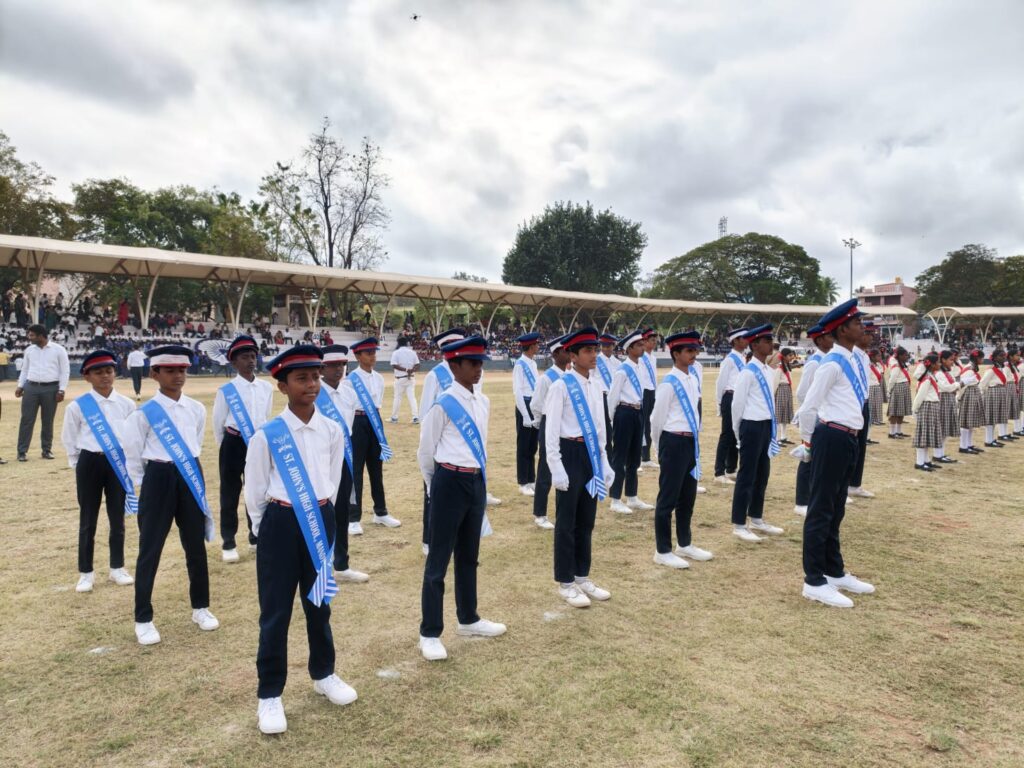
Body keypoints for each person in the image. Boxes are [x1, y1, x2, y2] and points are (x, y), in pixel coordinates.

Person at [245, 345, 358, 735]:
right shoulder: (267, 435)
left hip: (320, 519)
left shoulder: (332, 429)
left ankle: (324, 673)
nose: (311, 385)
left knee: (319, 603)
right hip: (280, 522)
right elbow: (254, 490)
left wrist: (322, 514)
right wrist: (265, 530)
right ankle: (270, 693)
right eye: (301, 378)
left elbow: (333, 480)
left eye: (315, 377)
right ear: (282, 386)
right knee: (275, 612)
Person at [417, 335, 506, 661]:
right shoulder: (443, 404)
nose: (478, 369)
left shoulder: (483, 402)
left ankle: (468, 618)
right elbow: (426, 451)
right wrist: (436, 486)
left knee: (469, 555)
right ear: (454, 366)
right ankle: (429, 632)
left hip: (475, 481)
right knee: (438, 560)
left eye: (481, 363)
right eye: (472, 363)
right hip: (448, 481)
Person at [124, 345, 218, 646]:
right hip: (158, 477)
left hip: (190, 474)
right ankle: (143, 618)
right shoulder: (143, 414)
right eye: (170, 371)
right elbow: (133, 455)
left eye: (182, 370)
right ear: (155, 374)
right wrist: (149, 484)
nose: (178, 376)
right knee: (150, 549)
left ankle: (201, 607)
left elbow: (195, 442)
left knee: (195, 546)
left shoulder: (196, 408)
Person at [795, 299, 875, 608]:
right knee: (821, 509)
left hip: (848, 438)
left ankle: (833, 570)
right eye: (856, 323)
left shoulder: (853, 359)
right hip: (831, 437)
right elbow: (809, 407)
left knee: (836, 507)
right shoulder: (831, 364)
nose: (862, 327)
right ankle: (814, 580)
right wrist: (808, 444)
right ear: (842, 330)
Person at [544, 327, 615, 608]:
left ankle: (582, 576)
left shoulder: (596, 385)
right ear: (572, 356)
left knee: (587, 519)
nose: (594, 355)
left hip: (591, 454)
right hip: (569, 452)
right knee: (566, 522)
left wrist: (604, 459)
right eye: (587, 351)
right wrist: (556, 466)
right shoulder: (561, 386)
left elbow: (600, 426)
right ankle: (566, 582)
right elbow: (551, 431)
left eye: (595, 349)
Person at [60, 350, 137, 594]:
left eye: (109, 371)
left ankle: (117, 568)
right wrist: (78, 463)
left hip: (118, 464)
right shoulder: (77, 406)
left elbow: (133, 437)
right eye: (98, 372)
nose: (105, 376)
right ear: (87, 377)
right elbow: (69, 438)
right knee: (88, 520)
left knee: (117, 518)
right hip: (90, 462)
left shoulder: (127, 404)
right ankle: (86, 573)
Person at [649, 332, 713, 569]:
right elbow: (657, 419)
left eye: (695, 350)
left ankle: (684, 543)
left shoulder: (692, 378)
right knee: (668, 497)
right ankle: (662, 550)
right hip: (673, 441)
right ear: (676, 354)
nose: (693, 354)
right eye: (688, 351)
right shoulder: (668, 383)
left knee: (688, 496)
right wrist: (659, 447)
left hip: (689, 442)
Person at [212, 335, 274, 563]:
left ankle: (256, 536)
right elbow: (218, 422)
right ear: (234, 362)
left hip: (256, 443)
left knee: (257, 491)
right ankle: (228, 542)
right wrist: (225, 447)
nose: (250, 361)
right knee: (229, 493)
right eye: (245, 357)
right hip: (233, 442)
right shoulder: (226, 390)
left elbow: (266, 415)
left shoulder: (266, 387)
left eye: (253, 356)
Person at [316, 344, 369, 583]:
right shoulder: (314, 392)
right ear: (321, 368)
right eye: (332, 365)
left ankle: (342, 564)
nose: (338, 369)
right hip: (320, 459)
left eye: (342, 364)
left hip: (344, 458)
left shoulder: (349, 392)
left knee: (342, 511)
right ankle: (318, 566)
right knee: (320, 510)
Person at [729, 325, 785, 542]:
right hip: (751, 426)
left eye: (771, 341)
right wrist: (738, 432)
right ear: (754, 345)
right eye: (766, 341)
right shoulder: (747, 372)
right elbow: (737, 405)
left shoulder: (767, 370)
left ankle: (756, 517)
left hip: (765, 425)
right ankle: (739, 524)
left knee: (762, 474)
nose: (771, 345)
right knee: (746, 476)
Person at [418, 328, 469, 553]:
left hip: (462, 443)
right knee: (433, 495)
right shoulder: (435, 375)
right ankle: (429, 540)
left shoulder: (468, 372)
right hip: (439, 444)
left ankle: (455, 537)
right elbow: (425, 413)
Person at [343, 337, 401, 534]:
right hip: (357, 423)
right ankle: (353, 517)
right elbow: (348, 407)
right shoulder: (349, 381)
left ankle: (381, 512)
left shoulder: (379, 378)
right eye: (368, 353)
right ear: (358, 356)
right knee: (356, 471)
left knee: (376, 469)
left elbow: (378, 404)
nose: (373, 356)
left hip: (375, 422)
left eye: (374, 352)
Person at [606, 330, 653, 514]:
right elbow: (613, 397)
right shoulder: (622, 370)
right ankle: (615, 499)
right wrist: (612, 420)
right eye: (639, 345)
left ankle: (632, 496)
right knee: (620, 457)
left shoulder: (640, 367)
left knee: (634, 457)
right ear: (630, 348)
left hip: (637, 411)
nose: (643, 347)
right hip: (624, 412)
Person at [530, 335, 569, 531]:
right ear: (556, 354)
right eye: (565, 350)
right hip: (549, 422)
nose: (569, 353)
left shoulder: (570, 375)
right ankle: (540, 514)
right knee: (545, 471)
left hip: (566, 425)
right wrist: (542, 424)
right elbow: (536, 404)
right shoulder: (546, 378)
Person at [15, 323, 70, 461]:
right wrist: (20, 386)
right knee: (26, 420)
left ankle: (46, 450)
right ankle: (21, 452)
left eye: (32, 335)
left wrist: (62, 390)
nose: (29, 337)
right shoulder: (29, 350)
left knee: (47, 421)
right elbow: (25, 370)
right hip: (30, 388)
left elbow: (65, 371)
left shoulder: (59, 350)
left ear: (41, 336)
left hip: (51, 389)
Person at [713, 327, 749, 485]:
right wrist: (719, 403)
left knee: (736, 434)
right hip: (729, 396)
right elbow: (720, 382)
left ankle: (731, 468)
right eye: (743, 338)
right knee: (726, 435)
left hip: (740, 397)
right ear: (735, 341)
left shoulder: (743, 358)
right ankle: (719, 472)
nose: (746, 341)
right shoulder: (729, 359)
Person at [847, 323, 876, 499]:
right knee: (850, 445)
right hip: (853, 404)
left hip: (864, 402)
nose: (870, 337)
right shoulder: (851, 355)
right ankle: (844, 484)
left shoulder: (865, 356)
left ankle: (855, 484)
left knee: (861, 445)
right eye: (867, 333)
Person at [512, 332, 541, 497]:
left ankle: (531, 479)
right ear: (531, 347)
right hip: (524, 405)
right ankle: (523, 482)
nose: (538, 346)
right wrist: (525, 415)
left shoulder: (533, 363)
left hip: (534, 405)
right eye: (536, 344)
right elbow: (517, 392)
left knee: (532, 446)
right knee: (523, 446)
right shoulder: (520, 365)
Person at [911, 354, 944, 471]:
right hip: (927, 407)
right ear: (932, 365)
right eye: (938, 362)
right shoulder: (927, 379)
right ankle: (919, 462)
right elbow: (920, 395)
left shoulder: (931, 376)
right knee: (923, 435)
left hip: (932, 407)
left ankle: (926, 460)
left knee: (928, 435)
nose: (940, 364)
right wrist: (915, 409)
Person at [934, 350, 961, 463]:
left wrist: (955, 386)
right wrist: (959, 384)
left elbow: (952, 386)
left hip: (949, 399)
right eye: (950, 360)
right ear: (943, 360)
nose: (952, 362)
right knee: (941, 428)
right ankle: (937, 454)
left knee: (945, 428)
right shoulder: (939, 373)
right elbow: (947, 387)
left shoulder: (946, 372)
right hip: (943, 399)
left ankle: (941, 453)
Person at [596, 333, 621, 454]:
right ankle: (606, 454)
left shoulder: (618, 363)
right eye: (604, 346)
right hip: (601, 397)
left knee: (615, 427)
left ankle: (614, 456)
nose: (606, 348)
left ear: (613, 346)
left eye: (609, 346)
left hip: (615, 398)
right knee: (604, 429)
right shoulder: (595, 361)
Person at [957, 349, 985, 454]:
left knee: (970, 421)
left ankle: (969, 444)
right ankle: (963, 446)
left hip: (973, 393)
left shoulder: (972, 367)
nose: (982, 360)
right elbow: (963, 384)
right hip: (968, 394)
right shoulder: (969, 369)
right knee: (966, 421)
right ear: (977, 358)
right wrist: (960, 397)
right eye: (981, 358)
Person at [981, 348, 1010, 447]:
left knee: (995, 418)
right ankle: (988, 440)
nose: (1003, 357)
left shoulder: (1001, 368)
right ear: (995, 357)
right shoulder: (991, 370)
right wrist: (983, 395)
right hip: (993, 393)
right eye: (1001, 356)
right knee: (990, 418)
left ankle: (992, 439)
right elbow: (982, 383)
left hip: (1000, 392)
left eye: (1004, 355)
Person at [639, 328, 659, 468]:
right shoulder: (641, 358)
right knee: (641, 424)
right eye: (652, 340)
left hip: (652, 391)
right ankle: (639, 456)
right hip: (643, 392)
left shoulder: (653, 358)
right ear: (645, 342)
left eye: (655, 340)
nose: (654, 343)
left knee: (649, 424)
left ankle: (646, 458)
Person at [388, 336, 420, 424]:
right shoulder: (412, 352)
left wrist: (406, 370)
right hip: (411, 377)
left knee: (397, 398)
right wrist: (411, 370)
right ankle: (415, 418)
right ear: (407, 343)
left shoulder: (396, 353)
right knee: (412, 398)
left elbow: (394, 365)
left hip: (400, 378)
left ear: (398, 343)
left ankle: (394, 418)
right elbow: (417, 364)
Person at [886, 347, 912, 438]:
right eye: (905, 355)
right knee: (895, 411)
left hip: (904, 387)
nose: (906, 357)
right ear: (899, 356)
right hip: (898, 387)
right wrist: (889, 390)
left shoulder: (902, 364)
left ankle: (898, 431)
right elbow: (892, 379)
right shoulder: (896, 365)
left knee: (901, 411)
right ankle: (892, 432)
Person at [774, 348, 796, 445]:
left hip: (787, 390)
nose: (792, 357)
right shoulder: (779, 368)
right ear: (784, 356)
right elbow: (775, 383)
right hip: (781, 390)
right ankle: (777, 438)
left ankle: (783, 437)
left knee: (785, 414)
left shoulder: (786, 367)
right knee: (779, 414)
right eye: (790, 355)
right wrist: (773, 395)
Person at [867, 348, 887, 427]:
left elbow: (881, 373)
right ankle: (872, 420)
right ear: (872, 357)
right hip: (871, 386)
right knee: (872, 404)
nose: (880, 358)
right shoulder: (868, 365)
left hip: (877, 385)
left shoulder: (878, 365)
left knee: (878, 403)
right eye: (878, 356)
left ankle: (878, 419)